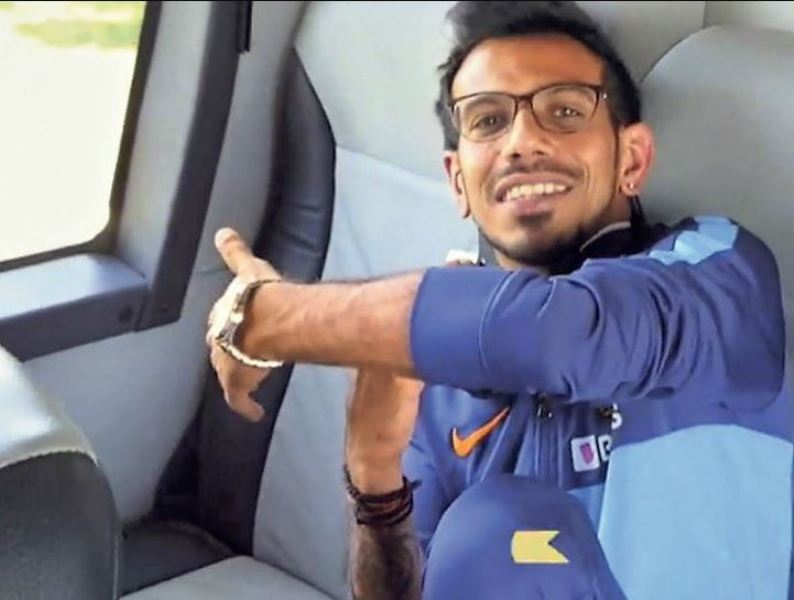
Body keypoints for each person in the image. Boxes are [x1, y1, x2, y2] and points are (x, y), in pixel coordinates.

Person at [206, 2, 793, 599]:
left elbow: (559, 335)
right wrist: (377, 487)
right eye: (487, 121)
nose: (522, 141)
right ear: (458, 181)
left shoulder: (718, 273)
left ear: (632, 160)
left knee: (506, 533)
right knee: (495, 539)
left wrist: (270, 317)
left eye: (565, 112)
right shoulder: (432, 383)